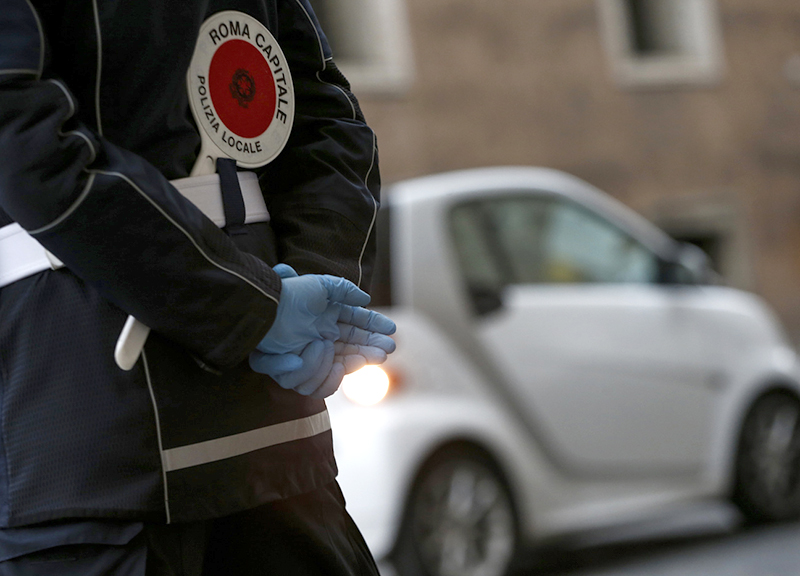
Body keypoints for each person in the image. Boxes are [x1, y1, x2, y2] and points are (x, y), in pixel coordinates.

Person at [0, 1, 394, 574]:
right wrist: (266, 308)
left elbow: (324, 122)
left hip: (243, 459)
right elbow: (24, 144)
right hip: (116, 462)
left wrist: (303, 294)